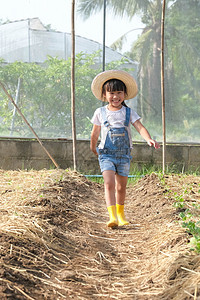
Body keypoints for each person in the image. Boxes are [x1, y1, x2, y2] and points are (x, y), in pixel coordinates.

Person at [90, 70, 160, 228]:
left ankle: (121, 215)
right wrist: (93, 147)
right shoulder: (100, 112)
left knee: (121, 187)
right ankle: (112, 216)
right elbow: (95, 133)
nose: (115, 97)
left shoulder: (129, 112)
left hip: (123, 156)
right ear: (104, 94)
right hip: (106, 154)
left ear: (125, 94)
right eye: (112, 93)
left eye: (119, 92)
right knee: (109, 184)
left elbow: (140, 127)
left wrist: (148, 139)